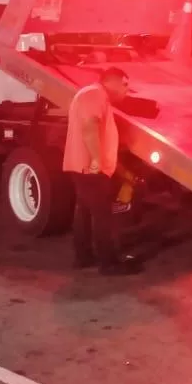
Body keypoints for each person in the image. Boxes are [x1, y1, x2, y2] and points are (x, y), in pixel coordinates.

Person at [63, 67, 142, 275]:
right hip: (90, 168)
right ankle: (109, 264)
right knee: (101, 215)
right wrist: (97, 159)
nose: (126, 90)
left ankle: (83, 257)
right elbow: (90, 126)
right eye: (125, 84)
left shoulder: (93, 95)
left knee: (85, 212)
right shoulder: (94, 94)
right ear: (112, 82)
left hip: (84, 166)